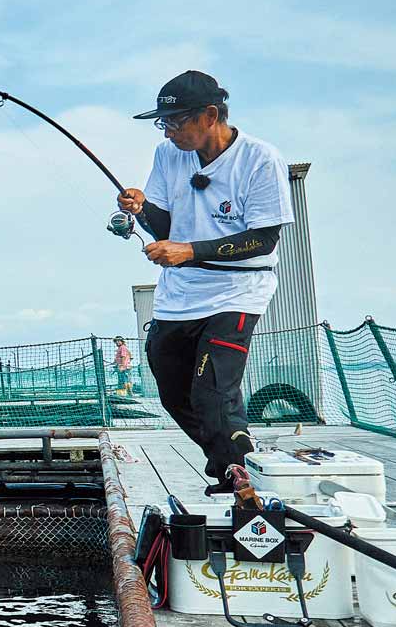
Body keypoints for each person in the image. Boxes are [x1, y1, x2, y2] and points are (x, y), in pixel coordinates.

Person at [116, 71, 293, 495]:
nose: (169, 131)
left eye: (177, 121)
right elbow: (164, 226)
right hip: (179, 295)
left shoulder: (260, 159)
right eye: (165, 123)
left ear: (210, 115)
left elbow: (264, 238)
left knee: (213, 392)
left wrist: (189, 251)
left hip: (238, 291)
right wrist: (141, 208)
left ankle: (237, 479)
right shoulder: (168, 154)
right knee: (173, 390)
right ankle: (237, 458)